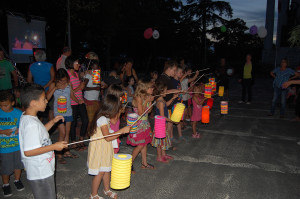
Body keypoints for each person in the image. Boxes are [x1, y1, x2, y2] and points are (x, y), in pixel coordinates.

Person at [18, 84, 68, 199]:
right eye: (44, 99)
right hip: (40, 171)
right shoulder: (31, 125)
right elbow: (28, 151)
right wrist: (54, 146)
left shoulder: (28, 117)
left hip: (42, 168)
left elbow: (40, 133)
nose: (46, 101)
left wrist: (52, 122)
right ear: (33, 103)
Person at [87, 94, 131, 199]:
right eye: (117, 109)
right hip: (99, 148)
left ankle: (106, 190)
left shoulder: (106, 117)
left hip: (105, 147)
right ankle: (93, 194)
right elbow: (107, 137)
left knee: (107, 169)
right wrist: (122, 131)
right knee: (100, 172)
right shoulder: (102, 119)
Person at [47, 69, 78, 164]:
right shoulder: (53, 84)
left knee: (67, 133)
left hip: (68, 111)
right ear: (57, 79)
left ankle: (66, 151)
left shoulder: (69, 84)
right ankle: (59, 154)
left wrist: (79, 101)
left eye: (64, 80)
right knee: (62, 133)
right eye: (61, 80)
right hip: (58, 113)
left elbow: (72, 95)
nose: (63, 82)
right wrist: (55, 88)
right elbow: (47, 98)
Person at [126, 78, 155, 172]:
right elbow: (141, 113)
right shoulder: (139, 97)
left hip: (145, 124)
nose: (153, 89)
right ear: (145, 88)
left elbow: (149, 111)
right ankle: (128, 164)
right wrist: (146, 101)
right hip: (139, 125)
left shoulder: (146, 96)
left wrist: (150, 101)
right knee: (140, 145)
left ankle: (144, 163)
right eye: (151, 87)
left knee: (144, 143)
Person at [0, 90, 24, 197]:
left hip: (17, 146)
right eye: (1, 105)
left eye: (6, 105)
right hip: (4, 147)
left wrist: (20, 129)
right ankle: (5, 184)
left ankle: (17, 180)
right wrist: (4, 132)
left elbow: (24, 126)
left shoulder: (18, 113)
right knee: (5, 167)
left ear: (12, 103)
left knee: (18, 165)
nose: (3, 108)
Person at [66, 56, 89, 151]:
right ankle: (73, 142)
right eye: (76, 63)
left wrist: (82, 86)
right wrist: (80, 87)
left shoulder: (76, 74)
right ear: (71, 64)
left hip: (80, 101)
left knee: (85, 120)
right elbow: (69, 92)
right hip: (72, 102)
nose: (78, 65)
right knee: (73, 122)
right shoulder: (67, 75)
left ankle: (81, 139)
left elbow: (78, 88)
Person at [156, 60, 180, 149]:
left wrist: (174, 95)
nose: (175, 72)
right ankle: (165, 147)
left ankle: (167, 146)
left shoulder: (168, 78)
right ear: (169, 69)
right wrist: (176, 91)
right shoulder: (162, 78)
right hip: (163, 105)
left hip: (167, 104)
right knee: (165, 128)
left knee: (168, 128)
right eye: (174, 70)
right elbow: (162, 91)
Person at [152, 82, 177, 163]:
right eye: (165, 91)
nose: (166, 92)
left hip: (162, 125)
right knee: (160, 141)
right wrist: (172, 121)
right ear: (161, 92)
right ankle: (159, 156)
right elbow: (163, 117)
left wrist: (173, 98)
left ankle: (164, 154)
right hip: (160, 125)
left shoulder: (161, 100)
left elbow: (166, 104)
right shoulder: (159, 102)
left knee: (163, 140)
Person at [27, 49, 55, 121]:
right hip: (49, 90)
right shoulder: (50, 65)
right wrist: (45, 86)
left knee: (38, 110)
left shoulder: (32, 66)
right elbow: (53, 78)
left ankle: (39, 126)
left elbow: (29, 80)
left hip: (37, 91)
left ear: (36, 57)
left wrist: (36, 87)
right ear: (45, 57)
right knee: (51, 109)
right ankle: (51, 127)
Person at [83, 59, 103, 132]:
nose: (96, 69)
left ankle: (92, 134)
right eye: (95, 67)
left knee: (96, 120)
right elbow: (83, 87)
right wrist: (94, 88)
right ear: (91, 67)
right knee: (91, 120)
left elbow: (99, 86)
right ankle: (89, 135)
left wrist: (101, 87)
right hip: (89, 99)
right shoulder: (88, 76)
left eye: (97, 67)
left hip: (96, 99)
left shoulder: (96, 75)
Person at [106, 84, 125, 154]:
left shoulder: (115, 106)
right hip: (111, 135)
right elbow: (114, 121)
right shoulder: (112, 108)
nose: (121, 99)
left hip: (114, 134)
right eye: (120, 97)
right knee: (111, 154)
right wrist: (119, 111)